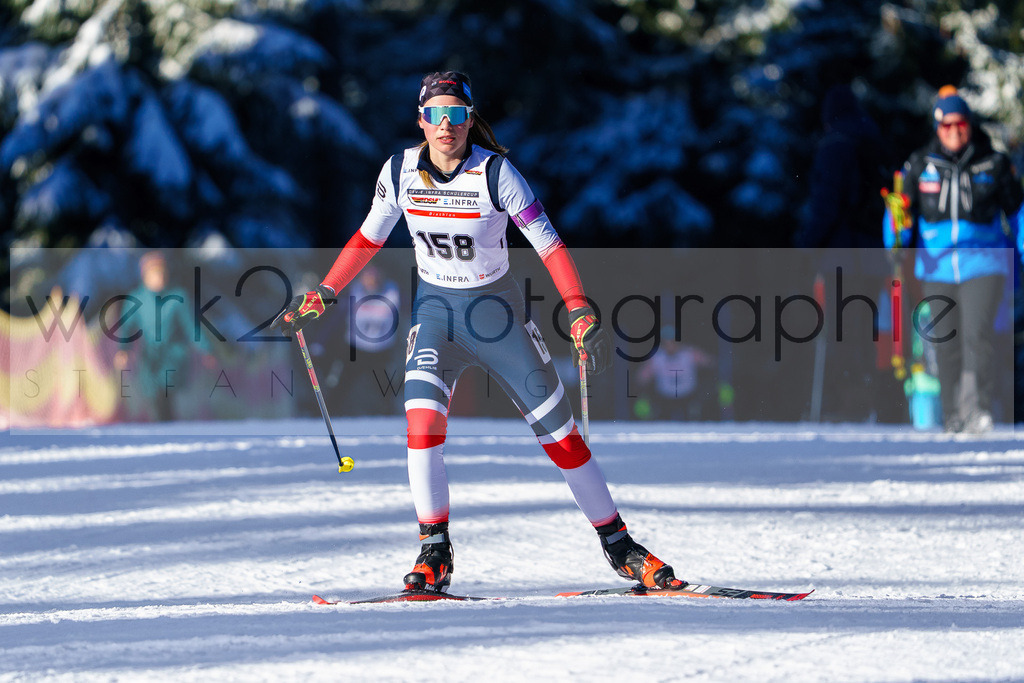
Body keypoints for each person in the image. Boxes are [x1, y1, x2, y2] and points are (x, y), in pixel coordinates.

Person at [273, 71, 685, 592]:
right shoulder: (399, 171)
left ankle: (620, 545)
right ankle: (434, 552)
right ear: (420, 120)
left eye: (457, 114)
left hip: (498, 318)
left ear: (471, 119)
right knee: (421, 428)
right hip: (435, 317)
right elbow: (367, 237)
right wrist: (325, 293)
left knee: (560, 435)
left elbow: (550, 246)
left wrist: (578, 310)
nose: (446, 125)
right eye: (436, 115)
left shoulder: (496, 174)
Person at [883, 86, 1024, 434]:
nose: (954, 131)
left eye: (960, 123)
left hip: (984, 262)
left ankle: (977, 409)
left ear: (970, 124)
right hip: (937, 265)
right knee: (945, 339)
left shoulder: (994, 162)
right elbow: (900, 212)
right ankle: (952, 414)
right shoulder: (920, 164)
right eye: (946, 125)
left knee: (977, 334)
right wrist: (895, 238)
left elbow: (1017, 211)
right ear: (937, 127)